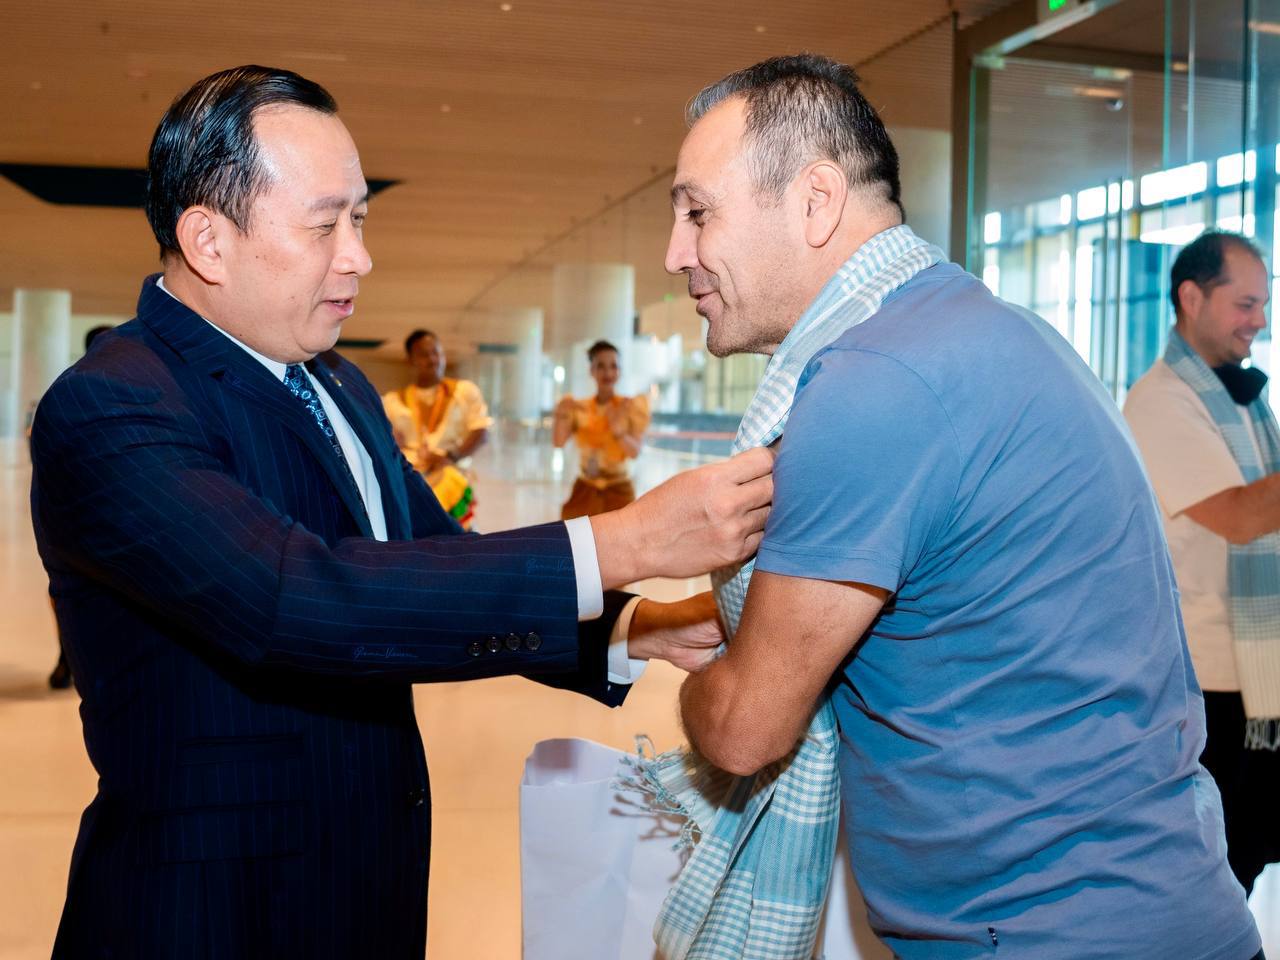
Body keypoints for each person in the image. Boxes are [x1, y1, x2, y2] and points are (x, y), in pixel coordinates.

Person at [28, 65, 773, 959]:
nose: (359, 257)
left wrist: (635, 629)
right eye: (325, 226)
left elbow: (433, 562)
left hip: (367, 887)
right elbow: (296, 598)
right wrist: (626, 541)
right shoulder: (113, 406)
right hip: (217, 912)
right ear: (208, 241)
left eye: (361, 219)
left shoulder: (337, 383)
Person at [659, 55, 1261, 959]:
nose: (676, 252)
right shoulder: (992, 329)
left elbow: (747, 728)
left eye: (698, 213)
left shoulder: (872, 384)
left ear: (816, 201)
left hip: (1042, 932)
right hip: (1158, 903)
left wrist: (707, 681)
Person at [1124, 229, 1280, 897]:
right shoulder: (1162, 399)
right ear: (1191, 298)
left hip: (1255, 671)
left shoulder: (1241, 397)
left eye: (1264, 304)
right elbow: (1242, 517)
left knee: (1246, 857)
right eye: (1246, 304)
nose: (1260, 321)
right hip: (1205, 679)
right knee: (1211, 872)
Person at [382, 327, 490, 527]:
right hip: (411, 481)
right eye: (424, 355)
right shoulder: (392, 402)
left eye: (437, 352)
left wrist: (451, 457)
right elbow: (383, 441)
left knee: (457, 536)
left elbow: (481, 432)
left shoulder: (464, 392)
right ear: (410, 360)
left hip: (451, 477)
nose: (433, 360)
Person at [553, 339, 650, 518]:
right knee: (574, 533)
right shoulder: (579, 408)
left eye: (614, 366)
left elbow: (635, 452)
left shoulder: (628, 407)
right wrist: (560, 414)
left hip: (619, 491)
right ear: (592, 370)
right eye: (601, 366)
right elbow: (559, 442)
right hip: (584, 489)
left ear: (620, 371)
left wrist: (618, 432)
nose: (608, 372)